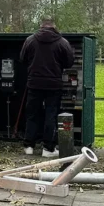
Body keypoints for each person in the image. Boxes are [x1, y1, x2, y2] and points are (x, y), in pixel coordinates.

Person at [19, 19, 75, 157]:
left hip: (34, 83)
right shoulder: (62, 42)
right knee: (51, 114)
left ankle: (29, 146)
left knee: (32, 114)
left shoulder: (30, 40)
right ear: (54, 28)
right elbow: (69, 62)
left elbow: (22, 59)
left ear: (40, 27)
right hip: (54, 85)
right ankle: (48, 149)